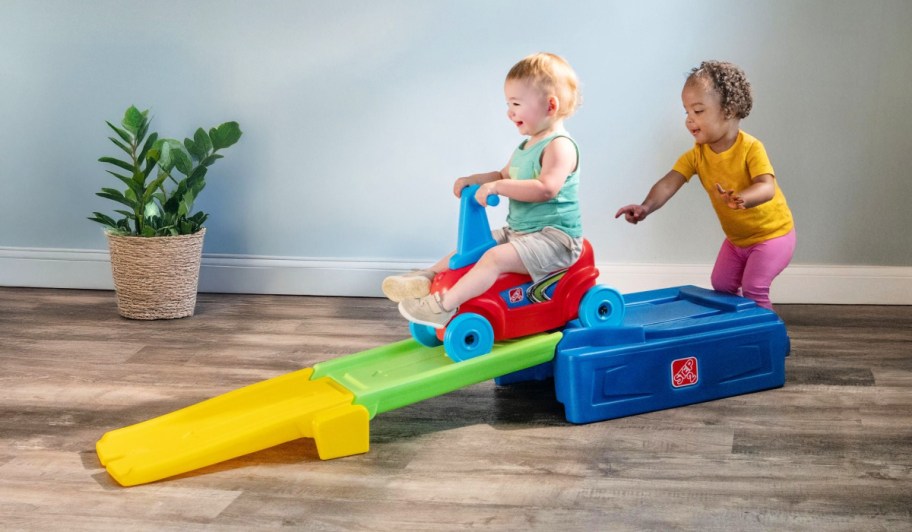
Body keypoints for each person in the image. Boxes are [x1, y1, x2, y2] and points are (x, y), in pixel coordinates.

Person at [384, 52, 584, 328]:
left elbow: (546, 188)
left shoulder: (559, 145)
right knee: (478, 245)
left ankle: (443, 307)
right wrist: (475, 180)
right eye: (508, 104)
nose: (509, 112)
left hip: (555, 240)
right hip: (521, 232)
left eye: (516, 104)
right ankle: (427, 276)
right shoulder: (526, 146)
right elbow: (503, 175)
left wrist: (499, 186)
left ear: (550, 105)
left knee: (492, 257)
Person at [615, 60, 795, 310]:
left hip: (772, 236)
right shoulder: (697, 155)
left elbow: (767, 187)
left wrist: (743, 198)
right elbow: (669, 183)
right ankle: (736, 330)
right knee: (721, 285)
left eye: (698, 111)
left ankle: (771, 340)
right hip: (737, 240)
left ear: (729, 110)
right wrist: (645, 207)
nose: (690, 120)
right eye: (686, 112)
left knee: (754, 287)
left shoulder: (751, 148)